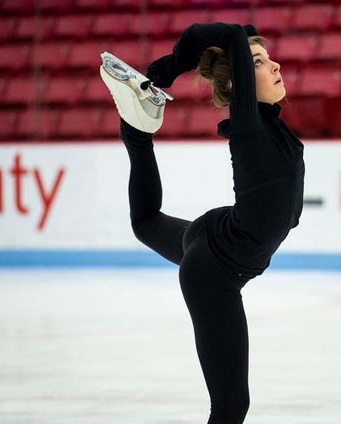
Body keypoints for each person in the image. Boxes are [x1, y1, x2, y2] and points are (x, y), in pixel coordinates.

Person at [101, 23, 305, 424]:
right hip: (214, 271)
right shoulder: (247, 123)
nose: (276, 64)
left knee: (145, 223)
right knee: (231, 407)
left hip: (215, 236)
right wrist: (177, 63)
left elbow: (240, 32)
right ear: (239, 84)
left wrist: (189, 60)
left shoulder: (267, 120)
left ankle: (137, 135)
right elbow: (230, 33)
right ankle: (138, 135)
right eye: (260, 62)